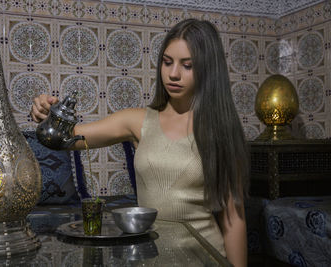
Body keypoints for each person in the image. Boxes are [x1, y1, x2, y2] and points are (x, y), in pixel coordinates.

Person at [31, 19, 249, 267]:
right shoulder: (136, 121)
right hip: (151, 258)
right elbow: (64, 140)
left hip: (204, 256)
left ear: (208, 69)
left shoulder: (222, 130)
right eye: (167, 62)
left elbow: (233, 216)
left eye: (187, 65)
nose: (173, 74)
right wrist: (45, 114)